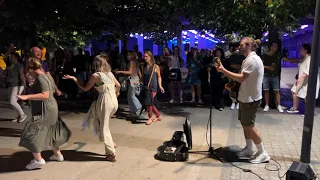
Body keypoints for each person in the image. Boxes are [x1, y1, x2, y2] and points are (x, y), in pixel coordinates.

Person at [215, 37, 270, 163]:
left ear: (249, 45)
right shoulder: (248, 59)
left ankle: (263, 153)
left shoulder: (252, 60)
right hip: (246, 97)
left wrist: (223, 70)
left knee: (249, 126)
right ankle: (249, 149)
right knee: (245, 125)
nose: (239, 47)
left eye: (241, 45)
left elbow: (241, 78)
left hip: (251, 99)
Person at [17, 58, 71, 170]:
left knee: (31, 132)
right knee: (50, 131)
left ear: (31, 68)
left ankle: (38, 160)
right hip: (50, 107)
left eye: (28, 70)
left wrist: (27, 96)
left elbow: (45, 95)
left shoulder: (41, 78)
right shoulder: (45, 76)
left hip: (45, 109)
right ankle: (58, 155)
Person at [63, 55, 120, 161]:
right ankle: (111, 143)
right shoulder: (110, 74)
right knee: (102, 123)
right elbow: (119, 85)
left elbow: (85, 88)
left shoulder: (96, 75)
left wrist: (75, 79)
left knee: (104, 127)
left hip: (105, 100)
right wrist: (116, 93)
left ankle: (111, 153)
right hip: (114, 102)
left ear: (95, 65)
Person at [284, 44, 320, 114]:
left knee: (307, 96)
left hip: (307, 81)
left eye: (301, 49)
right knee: (294, 91)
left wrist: (300, 78)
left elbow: (308, 70)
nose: (300, 50)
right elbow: (301, 65)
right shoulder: (304, 58)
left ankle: (308, 112)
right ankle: (295, 108)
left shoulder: (309, 58)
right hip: (302, 81)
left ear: (305, 50)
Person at [116, 52, 142, 117]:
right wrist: (140, 79)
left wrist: (120, 71)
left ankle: (139, 107)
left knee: (132, 96)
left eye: (129, 55)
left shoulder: (132, 62)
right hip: (135, 79)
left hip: (133, 79)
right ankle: (133, 111)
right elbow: (138, 70)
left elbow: (130, 72)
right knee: (129, 96)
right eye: (127, 55)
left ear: (132, 56)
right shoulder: (135, 62)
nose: (127, 56)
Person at [142, 51, 165, 125]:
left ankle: (150, 117)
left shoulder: (155, 66)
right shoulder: (144, 66)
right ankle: (158, 116)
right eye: (144, 56)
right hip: (146, 87)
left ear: (151, 57)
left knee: (149, 103)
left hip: (153, 87)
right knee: (150, 103)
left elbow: (159, 77)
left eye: (146, 56)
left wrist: (160, 86)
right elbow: (143, 76)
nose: (145, 58)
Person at [262, 42, 283, 112]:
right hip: (266, 75)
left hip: (275, 76)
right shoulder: (264, 55)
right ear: (270, 47)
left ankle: (279, 105)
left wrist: (298, 59)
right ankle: (267, 105)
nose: (275, 48)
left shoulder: (277, 55)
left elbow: (288, 60)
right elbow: (260, 65)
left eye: (276, 47)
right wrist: (268, 67)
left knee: (277, 91)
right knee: (266, 91)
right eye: (274, 46)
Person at [5, 52, 27, 122]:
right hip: (10, 85)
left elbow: (22, 76)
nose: (10, 58)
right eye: (10, 57)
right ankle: (19, 116)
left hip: (17, 85)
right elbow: (4, 57)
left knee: (13, 101)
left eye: (12, 57)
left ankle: (22, 115)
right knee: (13, 102)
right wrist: (9, 50)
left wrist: (24, 86)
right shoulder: (9, 64)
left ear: (16, 58)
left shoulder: (19, 65)